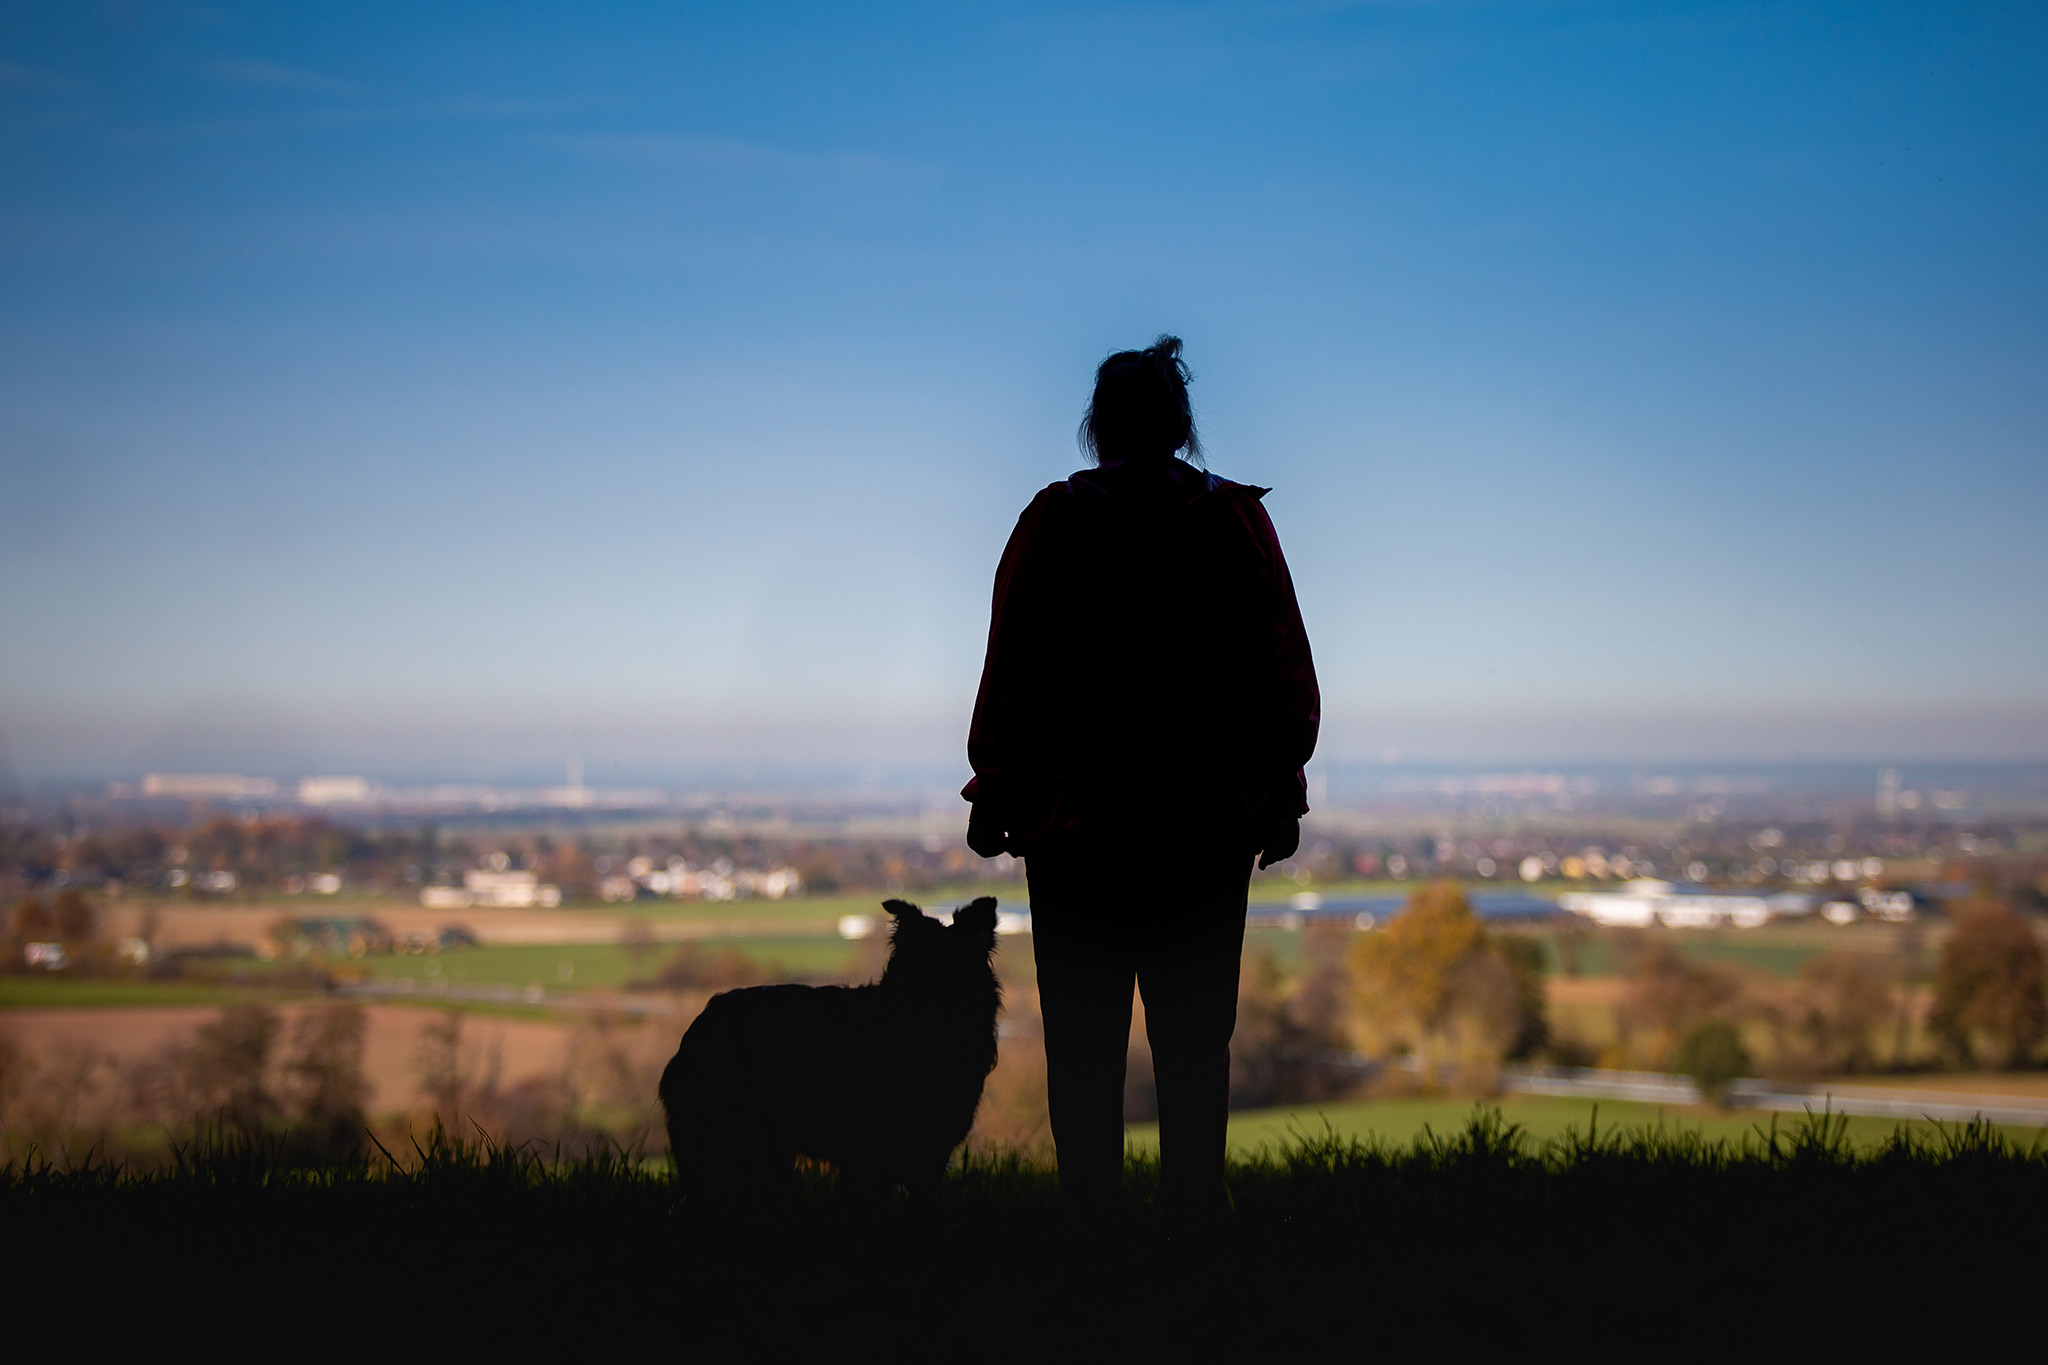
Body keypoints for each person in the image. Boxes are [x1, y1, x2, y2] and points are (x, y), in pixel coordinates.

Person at [963, 336, 1319, 1215]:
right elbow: (1285, 667)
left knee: (1082, 1047)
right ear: (1181, 423)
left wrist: (997, 783)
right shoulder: (1234, 521)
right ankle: (1193, 1233)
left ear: (1098, 425)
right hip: (1205, 825)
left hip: (1078, 823)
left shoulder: (1057, 518)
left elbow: (1011, 662)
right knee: (1198, 1042)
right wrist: (1280, 789)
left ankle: (1093, 1241)